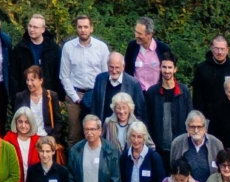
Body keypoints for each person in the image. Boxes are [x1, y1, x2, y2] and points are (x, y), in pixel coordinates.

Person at [60, 14, 111, 144]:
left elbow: (106, 75)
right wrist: (75, 98)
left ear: (91, 28)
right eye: (80, 27)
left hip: (96, 95)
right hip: (75, 95)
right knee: (74, 135)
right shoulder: (68, 47)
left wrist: (99, 95)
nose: (83, 30)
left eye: (86, 27)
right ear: (76, 28)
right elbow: (64, 76)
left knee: (95, 132)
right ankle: (74, 157)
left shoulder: (101, 47)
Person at [146, 52, 192, 167]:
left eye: (170, 67)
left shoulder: (184, 92)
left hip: (180, 148)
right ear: (160, 68)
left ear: (175, 69)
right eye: (164, 67)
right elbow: (147, 120)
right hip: (158, 149)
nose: (167, 71)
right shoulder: (152, 92)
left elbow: (190, 118)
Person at [192, 36, 230, 125]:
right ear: (211, 48)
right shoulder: (201, 69)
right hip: (208, 118)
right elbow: (197, 97)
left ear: (227, 50)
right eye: (216, 49)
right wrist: (201, 117)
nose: (219, 52)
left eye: (222, 49)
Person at [12, 14, 63, 99]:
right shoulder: (20, 49)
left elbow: (59, 73)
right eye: (30, 26)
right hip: (25, 95)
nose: (31, 29)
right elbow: (14, 75)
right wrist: (16, 97)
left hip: (48, 94)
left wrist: (59, 97)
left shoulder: (53, 49)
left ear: (43, 29)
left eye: (35, 27)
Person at [89, 51, 147, 125]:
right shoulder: (100, 79)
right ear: (107, 65)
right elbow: (94, 105)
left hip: (125, 127)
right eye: (111, 67)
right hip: (103, 126)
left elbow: (140, 111)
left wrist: (136, 127)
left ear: (123, 67)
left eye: (117, 67)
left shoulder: (133, 83)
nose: (114, 71)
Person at [14, 65, 65, 140]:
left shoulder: (51, 96)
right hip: (27, 138)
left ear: (41, 80)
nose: (29, 83)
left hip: (46, 138)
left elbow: (58, 121)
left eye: (32, 80)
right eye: (27, 80)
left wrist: (53, 138)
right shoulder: (20, 97)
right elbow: (16, 120)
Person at [125, 16, 172, 92]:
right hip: (137, 93)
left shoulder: (163, 49)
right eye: (136, 32)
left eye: (139, 33)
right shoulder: (132, 47)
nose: (136, 36)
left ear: (150, 34)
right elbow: (127, 70)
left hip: (157, 93)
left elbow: (169, 71)